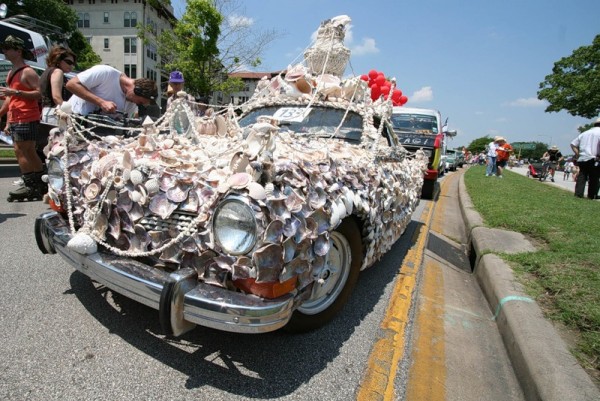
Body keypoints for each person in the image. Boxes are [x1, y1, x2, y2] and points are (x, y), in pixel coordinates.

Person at [0, 35, 46, 201]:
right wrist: (4, 116)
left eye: (7, 48)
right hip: (17, 116)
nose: (4, 51)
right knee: (27, 151)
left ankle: (31, 185)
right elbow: (10, 99)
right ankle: (39, 183)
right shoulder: (11, 72)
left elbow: (40, 94)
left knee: (22, 150)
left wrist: (17, 92)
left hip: (26, 115)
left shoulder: (27, 72)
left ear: (18, 51)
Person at [66, 64, 157, 117]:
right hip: (74, 118)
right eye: (140, 102)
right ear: (137, 90)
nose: (137, 104)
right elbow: (71, 84)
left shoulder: (131, 103)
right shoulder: (106, 73)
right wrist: (101, 102)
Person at [39, 46, 77, 125]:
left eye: (73, 64)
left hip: (49, 112)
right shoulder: (58, 72)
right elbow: (56, 97)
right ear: (58, 60)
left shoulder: (48, 71)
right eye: (68, 62)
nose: (71, 66)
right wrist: (67, 112)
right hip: (55, 113)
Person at [570, 117, 600, 199]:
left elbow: (573, 144)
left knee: (582, 176)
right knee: (594, 178)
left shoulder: (585, 133)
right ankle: (591, 195)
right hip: (594, 158)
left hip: (583, 158)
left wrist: (578, 154)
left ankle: (578, 194)